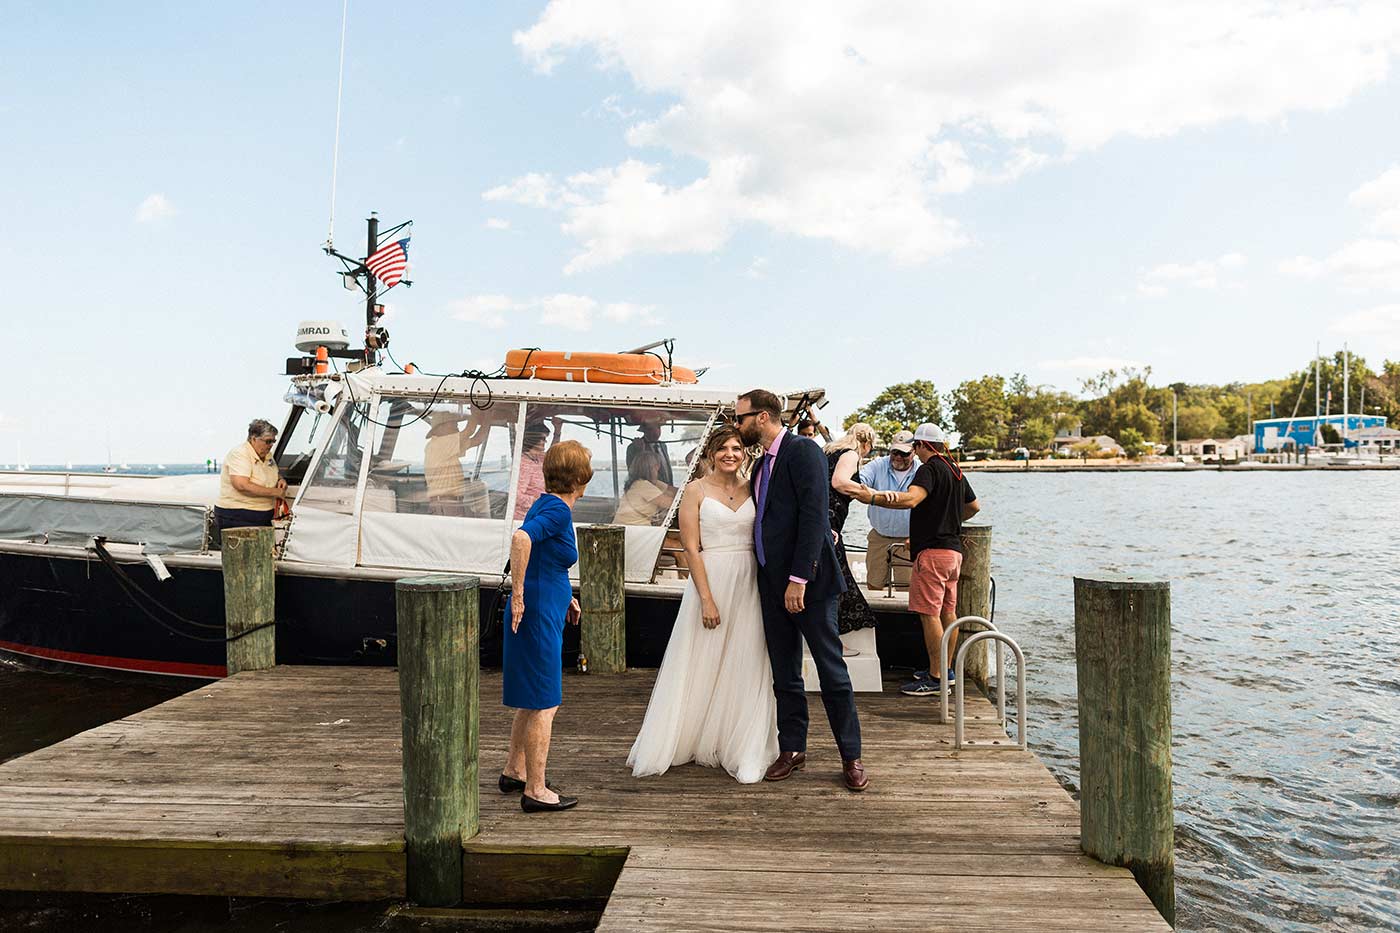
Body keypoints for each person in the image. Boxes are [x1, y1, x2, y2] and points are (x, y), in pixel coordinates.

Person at [628, 426, 779, 783]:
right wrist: (707, 598)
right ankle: (691, 736)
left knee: (746, 660)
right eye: (723, 448)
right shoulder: (694, 491)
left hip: (749, 582)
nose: (731, 453)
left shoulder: (755, 485)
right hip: (710, 580)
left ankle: (739, 742)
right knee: (703, 658)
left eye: (737, 447)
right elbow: (690, 548)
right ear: (710, 454)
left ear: (745, 452)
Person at [734, 389, 867, 792]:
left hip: (806, 584)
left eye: (741, 418)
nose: (737, 426)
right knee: (784, 672)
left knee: (831, 670)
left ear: (762, 417)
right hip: (770, 584)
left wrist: (798, 578)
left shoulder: (803, 451)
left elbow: (814, 516)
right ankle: (792, 748)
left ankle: (851, 756)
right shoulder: (761, 465)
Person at [853, 423, 979, 697]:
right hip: (954, 553)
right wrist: (946, 522)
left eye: (916, 448)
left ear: (922, 445)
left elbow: (912, 499)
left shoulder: (929, 469)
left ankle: (935, 678)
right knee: (948, 612)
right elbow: (973, 506)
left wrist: (872, 496)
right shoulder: (955, 469)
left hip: (932, 553)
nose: (915, 454)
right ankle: (945, 671)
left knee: (928, 613)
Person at [501, 440, 592, 812]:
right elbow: (522, 539)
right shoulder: (557, 510)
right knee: (545, 704)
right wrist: (519, 594)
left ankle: (515, 770)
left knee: (531, 697)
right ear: (581, 478)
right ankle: (536, 789)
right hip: (536, 613)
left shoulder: (545, 502)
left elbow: (546, 559)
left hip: (546, 606)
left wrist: (565, 595)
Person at [823, 424, 880, 639]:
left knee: (834, 577)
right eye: (870, 449)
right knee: (837, 580)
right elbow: (839, 482)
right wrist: (870, 493)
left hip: (824, 519)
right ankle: (834, 638)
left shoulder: (829, 450)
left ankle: (830, 636)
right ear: (866, 444)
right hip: (830, 520)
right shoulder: (850, 454)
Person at [859, 430, 918, 590]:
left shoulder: (922, 470)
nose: (898, 457)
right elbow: (859, 482)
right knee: (874, 583)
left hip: (908, 540)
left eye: (904, 453)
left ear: (914, 452)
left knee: (907, 587)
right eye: (895, 452)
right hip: (879, 536)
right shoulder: (877, 465)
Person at [214, 419, 286, 543]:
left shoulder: (267, 454)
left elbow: (269, 471)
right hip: (238, 516)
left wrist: (280, 479)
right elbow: (241, 484)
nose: (271, 445)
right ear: (253, 439)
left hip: (262, 515)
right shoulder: (240, 454)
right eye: (268, 441)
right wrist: (275, 492)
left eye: (273, 441)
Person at [513, 419, 563, 520]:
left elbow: (553, 452)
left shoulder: (538, 458)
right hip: (524, 519)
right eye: (543, 439)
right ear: (534, 440)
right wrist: (539, 501)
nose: (545, 442)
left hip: (537, 515)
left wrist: (557, 431)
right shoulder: (524, 464)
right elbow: (516, 495)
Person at [614, 448, 677, 525]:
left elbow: (675, 491)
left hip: (631, 528)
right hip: (631, 530)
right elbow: (670, 503)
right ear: (656, 467)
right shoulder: (642, 485)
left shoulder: (649, 482)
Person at [625, 417, 674, 486]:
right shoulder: (633, 448)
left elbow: (667, 470)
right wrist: (640, 451)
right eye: (651, 429)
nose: (656, 432)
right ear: (644, 430)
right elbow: (633, 472)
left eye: (658, 428)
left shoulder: (663, 446)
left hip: (667, 490)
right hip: (649, 491)